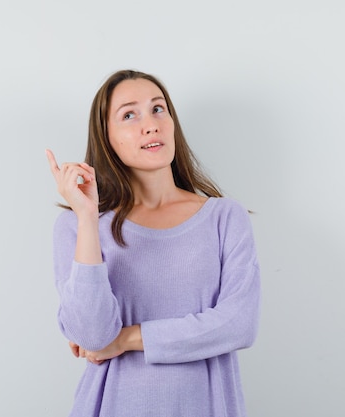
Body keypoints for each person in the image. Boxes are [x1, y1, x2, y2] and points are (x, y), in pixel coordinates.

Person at [46, 69, 260, 417]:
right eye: (129, 115)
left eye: (158, 109)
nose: (151, 124)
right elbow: (92, 335)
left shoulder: (224, 218)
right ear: (106, 137)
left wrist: (127, 339)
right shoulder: (75, 226)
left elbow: (239, 324)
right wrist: (87, 217)